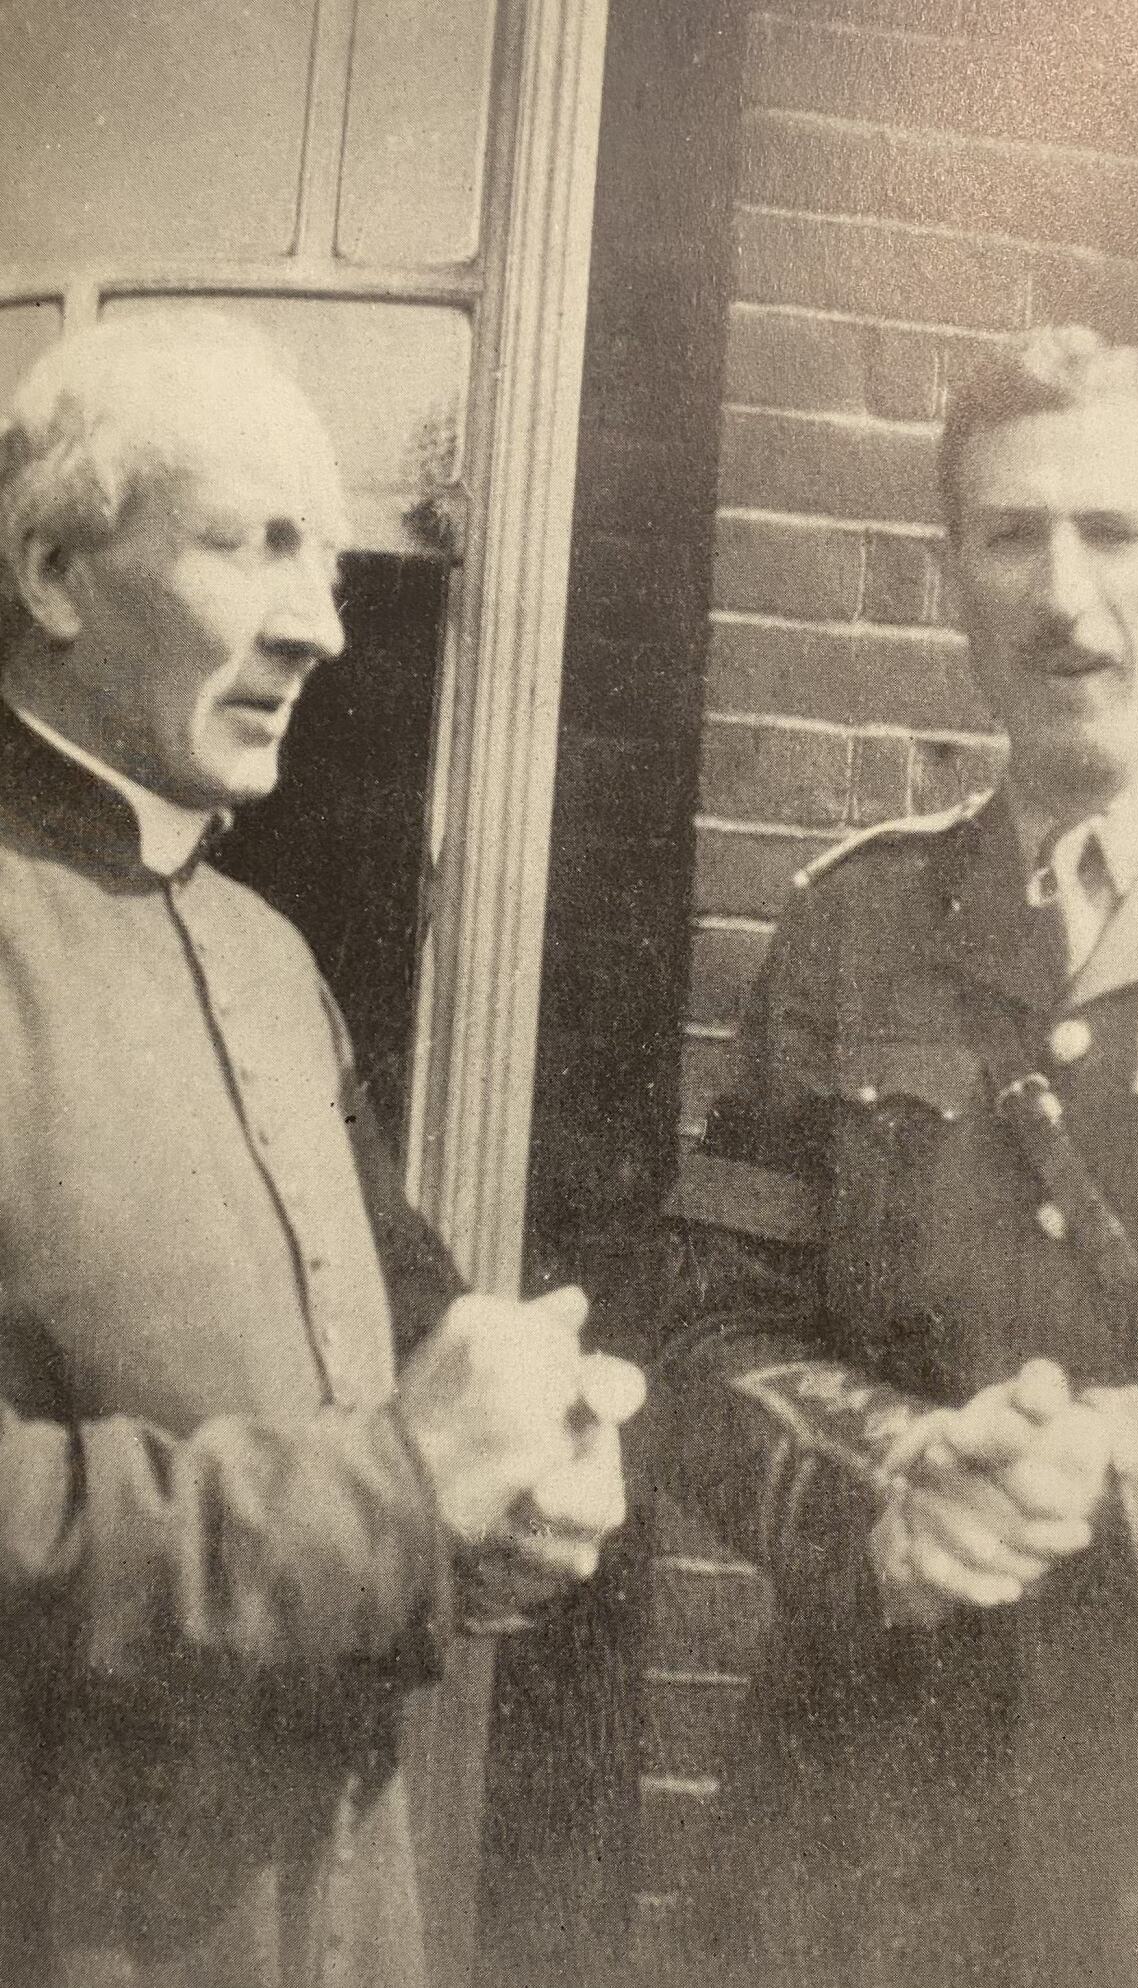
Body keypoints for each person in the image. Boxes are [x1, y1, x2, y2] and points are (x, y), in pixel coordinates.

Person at [0, 312, 644, 1988]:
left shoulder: (274, 960)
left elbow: (415, 1340)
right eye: (251, 546)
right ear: (53, 571)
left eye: (332, 560)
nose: (322, 625)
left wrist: (531, 1479)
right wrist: (398, 1494)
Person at [660, 325, 1138, 1988]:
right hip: (869, 1835)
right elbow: (709, 1335)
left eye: (1115, 532)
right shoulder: (858, 926)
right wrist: (895, 1485)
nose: (1065, 596)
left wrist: (1111, 1466)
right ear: (950, 582)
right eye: (1011, 535)